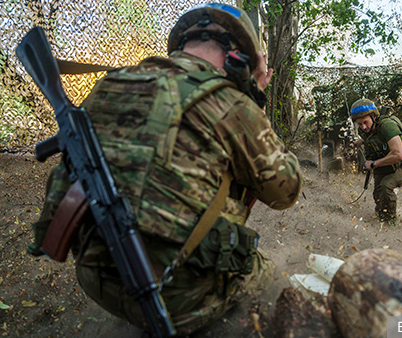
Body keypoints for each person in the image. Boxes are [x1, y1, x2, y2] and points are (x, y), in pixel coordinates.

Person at [28, 3, 302, 335]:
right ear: (240, 57)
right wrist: (253, 99)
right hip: (178, 294)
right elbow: (285, 191)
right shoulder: (231, 103)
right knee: (269, 277)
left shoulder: (110, 83)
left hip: (96, 275)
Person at [351, 99, 402, 224]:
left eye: (365, 122)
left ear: (374, 116)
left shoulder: (387, 126)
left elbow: (398, 155)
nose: (363, 127)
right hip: (385, 164)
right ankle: (381, 219)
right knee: (378, 194)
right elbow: (372, 137)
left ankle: (389, 223)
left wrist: (373, 164)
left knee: (386, 186)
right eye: (360, 124)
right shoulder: (366, 129)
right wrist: (361, 141)